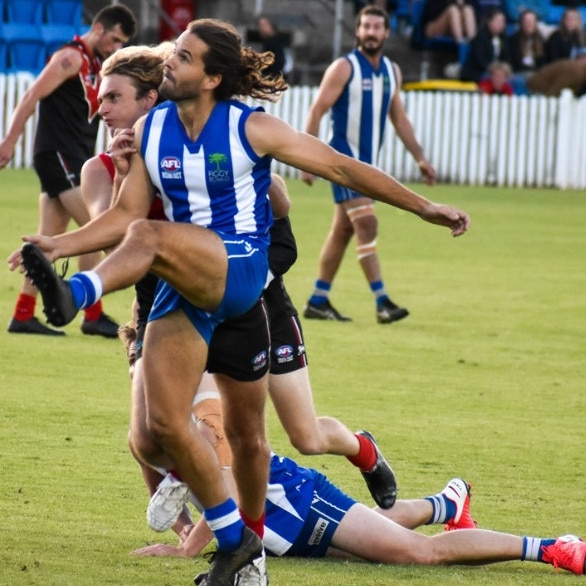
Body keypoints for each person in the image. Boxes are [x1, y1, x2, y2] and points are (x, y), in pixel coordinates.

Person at [9, 17, 469, 585]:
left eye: (182, 58)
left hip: (245, 273)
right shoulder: (153, 129)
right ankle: (239, 549)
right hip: (190, 286)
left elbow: (342, 167)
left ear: (211, 78)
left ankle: (77, 294)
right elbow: (123, 216)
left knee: (152, 246)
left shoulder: (251, 128)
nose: (168, 64)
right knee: (172, 427)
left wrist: (424, 208)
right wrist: (55, 242)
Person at [131, 390, 586, 580]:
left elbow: (222, 481)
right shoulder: (144, 428)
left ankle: (551, 547)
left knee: (416, 552)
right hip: (281, 533)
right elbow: (163, 486)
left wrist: (190, 547)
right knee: (382, 539)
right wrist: (180, 533)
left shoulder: (198, 399)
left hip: (297, 502)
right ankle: (446, 503)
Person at [0, 5, 137, 337]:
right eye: (115, 39)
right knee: (94, 231)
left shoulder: (95, 66)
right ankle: (93, 314)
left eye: (122, 43)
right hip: (57, 155)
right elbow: (32, 95)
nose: (116, 48)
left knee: (49, 238)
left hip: (73, 157)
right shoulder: (70, 58)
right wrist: (9, 141)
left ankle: (23, 314)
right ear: (100, 29)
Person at [301, 6, 437, 325]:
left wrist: (420, 158)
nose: (371, 32)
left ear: (387, 33)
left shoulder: (392, 71)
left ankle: (318, 300)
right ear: (358, 31)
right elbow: (317, 110)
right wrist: (308, 159)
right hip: (343, 163)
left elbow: (399, 118)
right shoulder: (343, 68)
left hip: (369, 166)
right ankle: (382, 302)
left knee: (343, 230)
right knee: (368, 224)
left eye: (377, 27)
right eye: (365, 27)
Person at [460, 8, 512, 82]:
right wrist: (493, 70)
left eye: (503, 22)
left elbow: (506, 59)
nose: (501, 24)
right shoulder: (480, 38)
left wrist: (504, 70)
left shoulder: (504, 39)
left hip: (498, 72)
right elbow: (479, 60)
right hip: (478, 72)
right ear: (489, 22)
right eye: (498, 21)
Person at [508, 9, 546, 82]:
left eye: (531, 22)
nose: (529, 24)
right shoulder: (513, 40)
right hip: (519, 72)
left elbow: (543, 61)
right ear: (521, 23)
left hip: (537, 73)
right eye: (526, 21)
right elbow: (513, 62)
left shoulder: (541, 40)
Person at [256, 15, 291, 81]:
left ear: (270, 26)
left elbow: (280, 64)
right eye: (259, 26)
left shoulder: (276, 43)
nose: (260, 29)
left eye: (263, 25)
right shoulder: (267, 43)